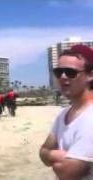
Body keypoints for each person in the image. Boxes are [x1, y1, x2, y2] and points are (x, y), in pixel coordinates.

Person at [39, 44, 93, 179]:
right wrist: (54, 155)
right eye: (58, 72)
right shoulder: (64, 114)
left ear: (90, 75)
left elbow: (67, 172)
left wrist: (50, 155)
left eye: (70, 72)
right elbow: (43, 151)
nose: (62, 77)